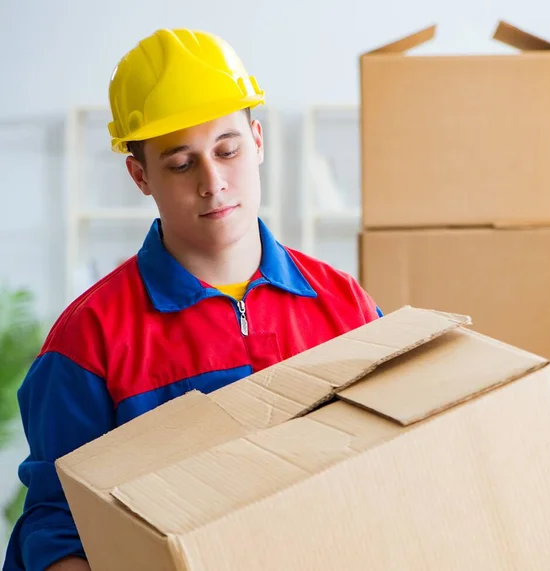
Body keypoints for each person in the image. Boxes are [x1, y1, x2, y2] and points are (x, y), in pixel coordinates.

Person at [3, 28, 382, 571]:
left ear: (257, 142)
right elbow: (59, 527)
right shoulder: (89, 341)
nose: (213, 182)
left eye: (227, 151)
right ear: (140, 176)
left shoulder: (344, 306)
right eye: (181, 164)